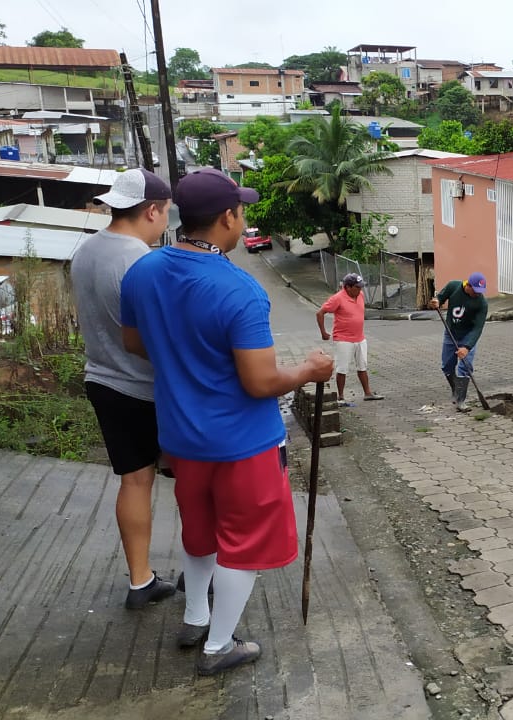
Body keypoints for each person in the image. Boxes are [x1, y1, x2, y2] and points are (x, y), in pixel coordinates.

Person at [119, 168, 334, 676]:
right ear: (227, 218)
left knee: (200, 532)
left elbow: (133, 343)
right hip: (243, 443)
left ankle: (196, 617)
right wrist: (310, 370)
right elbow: (260, 382)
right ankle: (219, 647)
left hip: (181, 436)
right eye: (240, 211)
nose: (242, 219)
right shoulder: (239, 289)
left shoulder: (143, 272)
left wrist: (183, 357)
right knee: (244, 544)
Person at [70, 168, 178, 610]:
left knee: (133, 480)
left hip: (102, 380)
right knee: (190, 479)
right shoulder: (143, 262)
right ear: (152, 210)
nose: (166, 221)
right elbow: (162, 335)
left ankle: (140, 580)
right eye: (166, 212)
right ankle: (204, 570)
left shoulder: (86, 250)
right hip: (147, 388)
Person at [317, 273, 383, 405]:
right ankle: (341, 397)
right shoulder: (337, 298)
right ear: (347, 287)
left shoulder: (360, 295)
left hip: (360, 337)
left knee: (362, 366)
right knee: (342, 368)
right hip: (343, 339)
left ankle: (367, 393)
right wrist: (323, 332)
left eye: (361, 287)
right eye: (357, 287)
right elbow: (320, 312)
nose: (360, 290)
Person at [428, 271, 488, 411]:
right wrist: (436, 302)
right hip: (451, 333)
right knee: (447, 366)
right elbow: (439, 298)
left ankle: (461, 400)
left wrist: (467, 347)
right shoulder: (453, 286)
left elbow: (478, 328)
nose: (478, 294)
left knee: (465, 367)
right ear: (468, 285)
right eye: (476, 290)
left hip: (468, 335)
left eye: (480, 291)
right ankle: (456, 389)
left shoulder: (482, 303)